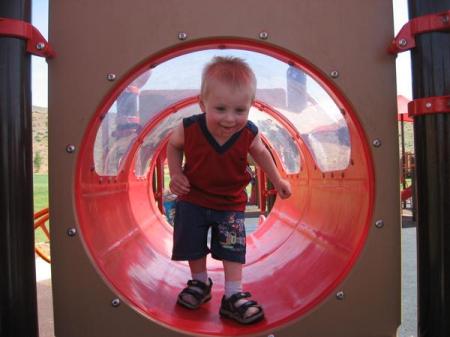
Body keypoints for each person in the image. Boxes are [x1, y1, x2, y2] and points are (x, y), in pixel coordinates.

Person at [167, 56, 292, 324]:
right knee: (192, 244)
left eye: (239, 110)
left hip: (230, 202)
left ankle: (233, 295)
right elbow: (174, 145)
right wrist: (176, 173)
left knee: (232, 247)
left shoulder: (248, 133)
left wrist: (278, 180)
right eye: (220, 108)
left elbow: (261, 154)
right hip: (193, 198)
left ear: (251, 107)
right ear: (202, 104)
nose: (229, 119)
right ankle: (199, 284)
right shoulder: (189, 127)